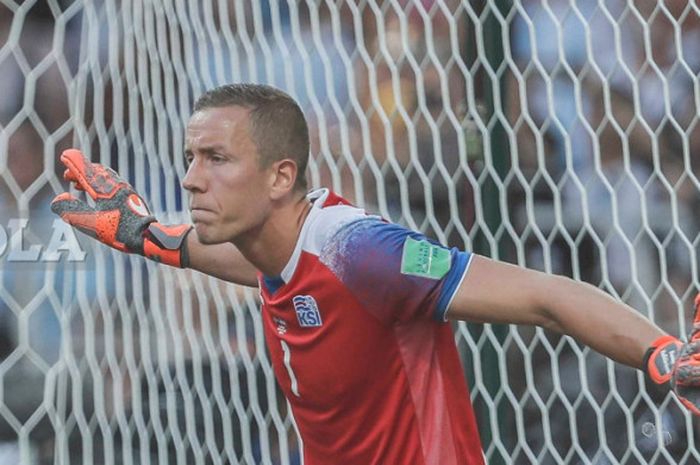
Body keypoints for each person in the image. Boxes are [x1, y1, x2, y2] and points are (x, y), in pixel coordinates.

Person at [51, 83, 700, 465]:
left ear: (281, 176)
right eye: (190, 157)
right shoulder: (270, 250)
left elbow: (546, 294)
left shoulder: (363, 253)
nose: (191, 177)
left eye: (215, 157)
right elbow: (213, 251)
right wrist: (143, 233)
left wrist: (662, 352)